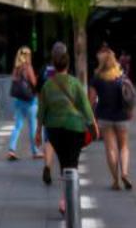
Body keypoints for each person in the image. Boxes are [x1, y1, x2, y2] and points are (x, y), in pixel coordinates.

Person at [36, 43, 94, 217]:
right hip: (75, 128)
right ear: (68, 64)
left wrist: (38, 130)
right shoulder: (75, 83)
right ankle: (66, 200)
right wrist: (93, 125)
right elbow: (85, 107)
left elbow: (42, 110)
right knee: (73, 163)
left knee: (64, 163)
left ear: (54, 64)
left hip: (54, 130)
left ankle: (65, 198)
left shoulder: (48, 85)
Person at [90, 52, 136, 190]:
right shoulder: (121, 76)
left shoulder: (97, 79)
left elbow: (91, 100)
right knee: (124, 146)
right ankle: (124, 173)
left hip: (104, 117)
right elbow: (129, 95)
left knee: (110, 148)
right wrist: (131, 111)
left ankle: (115, 181)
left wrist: (91, 117)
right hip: (122, 116)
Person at [6, 47, 40, 162]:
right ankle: (35, 151)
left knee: (17, 126)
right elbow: (34, 83)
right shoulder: (28, 67)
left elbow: (15, 81)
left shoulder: (16, 69)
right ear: (27, 56)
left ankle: (11, 149)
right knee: (32, 127)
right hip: (30, 101)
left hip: (18, 101)